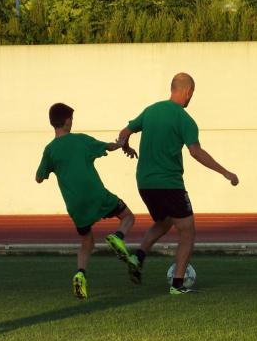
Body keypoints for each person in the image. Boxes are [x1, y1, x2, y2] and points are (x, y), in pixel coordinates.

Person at [117, 72, 239, 294]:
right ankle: (177, 283)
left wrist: (125, 146)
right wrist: (225, 172)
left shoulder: (151, 110)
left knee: (164, 222)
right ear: (188, 91)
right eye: (193, 93)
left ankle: (138, 256)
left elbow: (124, 133)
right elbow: (196, 152)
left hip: (144, 182)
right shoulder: (184, 119)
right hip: (169, 183)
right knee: (188, 231)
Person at [36, 102, 138, 299]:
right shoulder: (81, 140)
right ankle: (118, 236)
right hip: (96, 195)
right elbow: (110, 146)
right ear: (67, 121)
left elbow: (39, 178)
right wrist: (123, 143)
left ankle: (80, 275)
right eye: (72, 119)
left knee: (87, 242)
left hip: (75, 205)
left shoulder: (49, 150)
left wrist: (50, 169)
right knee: (128, 217)